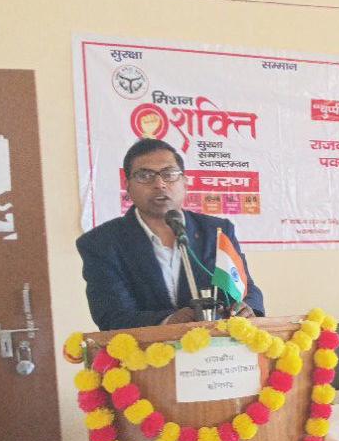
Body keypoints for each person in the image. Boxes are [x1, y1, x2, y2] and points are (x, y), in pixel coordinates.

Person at [77, 138, 264, 331]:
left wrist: (248, 309)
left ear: (185, 182)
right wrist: (167, 322)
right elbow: (112, 315)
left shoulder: (217, 231)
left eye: (169, 174)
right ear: (128, 187)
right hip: (144, 349)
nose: (159, 184)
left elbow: (246, 289)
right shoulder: (102, 243)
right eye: (145, 175)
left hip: (217, 346)